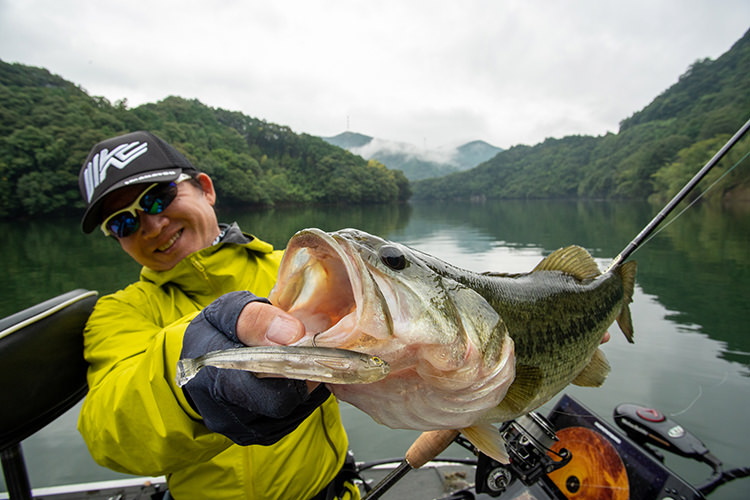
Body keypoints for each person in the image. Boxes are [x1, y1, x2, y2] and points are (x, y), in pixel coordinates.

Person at [76, 131, 360, 500]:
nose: (151, 225)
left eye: (157, 197)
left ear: (205, 189)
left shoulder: (306, 273)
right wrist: (191, 385)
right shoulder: (117, 312)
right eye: (122, 223)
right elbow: (108, 433)